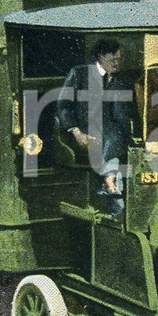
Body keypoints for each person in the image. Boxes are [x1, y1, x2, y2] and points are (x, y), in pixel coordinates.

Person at [56, 38, 133, 216]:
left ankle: (110, 181)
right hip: (81, 134)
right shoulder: (79, 74)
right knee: (112, 137)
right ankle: (112, 187)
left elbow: (121, 118)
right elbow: (63, 106)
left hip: (110, 138)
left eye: (119, 60)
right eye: (113, 60)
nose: (117, 64)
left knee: (114, 135)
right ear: (100, 56)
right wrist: (76, 132)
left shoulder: (119, 82)